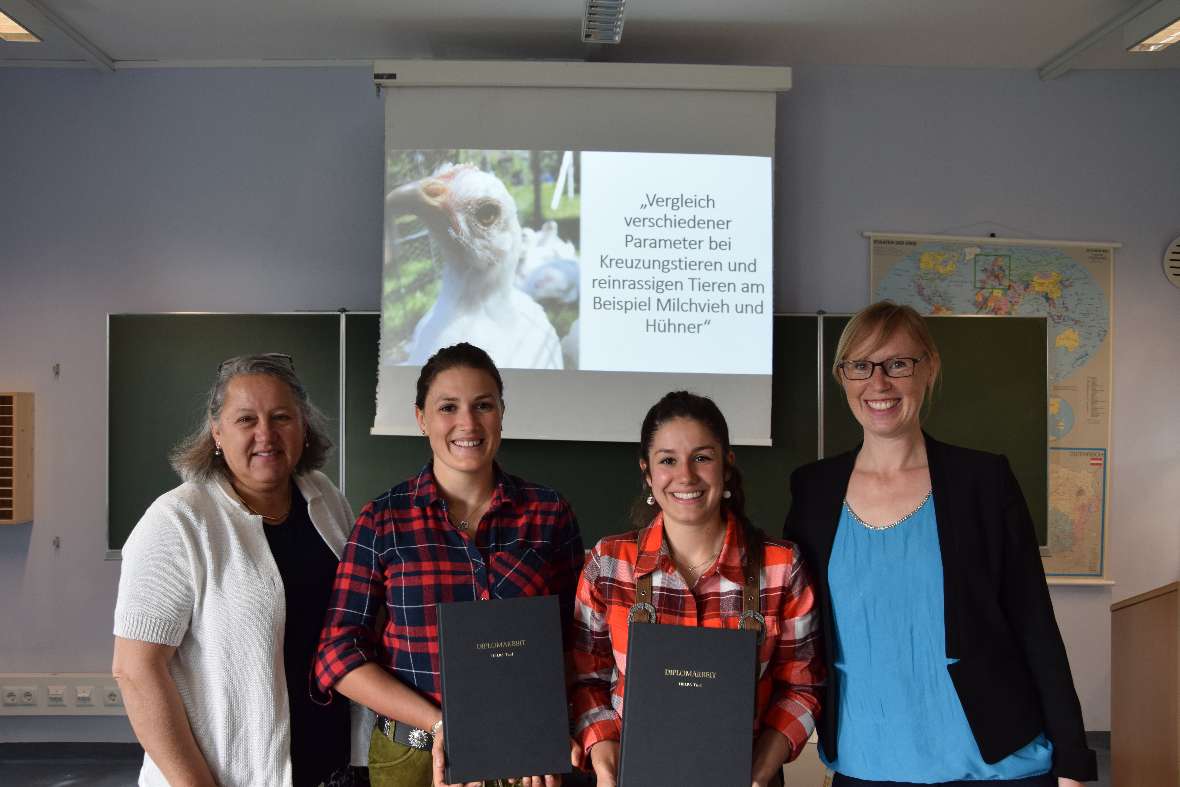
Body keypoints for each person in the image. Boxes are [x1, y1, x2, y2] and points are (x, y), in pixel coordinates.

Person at [783, 301, 1097, 787]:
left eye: (898, 364)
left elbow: (1034, 624)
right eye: (861, 365)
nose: (879, 383)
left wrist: (1074, 762)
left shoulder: (983, 482)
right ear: (842, 376)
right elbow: (795, 629)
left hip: (995, 765)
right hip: (866, 764)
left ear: (928, 368)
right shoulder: (812, 491)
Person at [313, 342, 585, 787]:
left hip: (527, 757)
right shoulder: (383, 519)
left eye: (483, 406)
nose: (468, 423)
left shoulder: (548, 512)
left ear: (501, 412)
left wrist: (542, 726)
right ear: (421, 418)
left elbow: (578, 642)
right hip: (414, 758)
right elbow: (336, 655)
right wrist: (442, 723)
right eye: (448, 407)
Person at [113, 353, 367, 787]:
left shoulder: (325, 499)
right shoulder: (178, 521)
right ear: (216, 433)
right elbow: (135, 672)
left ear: (303, 427)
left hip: (332, 766)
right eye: (246, 419)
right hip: (231, 775)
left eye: (281, 417)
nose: (265, 434)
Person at [571, 391, 824, 787]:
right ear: (648, 473)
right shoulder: (608, 563)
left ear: (727, 466)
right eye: (668, 460)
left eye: (702, 458)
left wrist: (760, 770)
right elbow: (586, 680)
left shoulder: (780, 567)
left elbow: (803, 686)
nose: (686, 476)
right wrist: (605, 757)